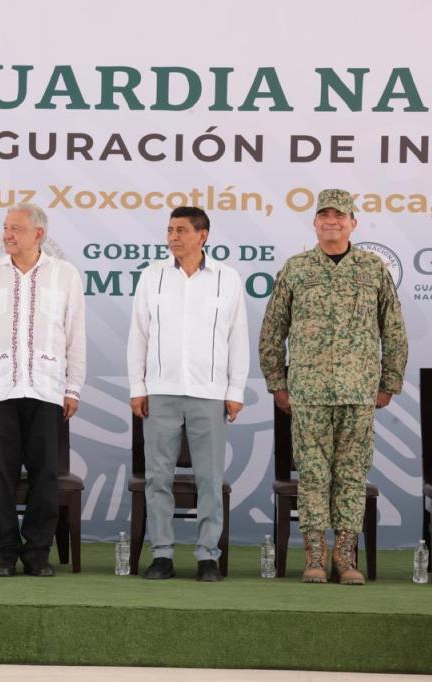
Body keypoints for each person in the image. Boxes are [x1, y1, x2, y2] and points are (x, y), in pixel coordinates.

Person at [258, 189, 408, 585]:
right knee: (312, 476)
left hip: (359, 392)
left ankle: (346, 558)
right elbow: (274, 329)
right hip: (307, 392)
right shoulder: (297, 268)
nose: (332, 222)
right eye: (324, 215)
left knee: (352, 476)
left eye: (340, 216)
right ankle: (314, 558)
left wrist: (389, 380)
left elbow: (392, 329)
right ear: (315, 223)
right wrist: (277, 381)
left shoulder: (372, 269)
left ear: (353, 223)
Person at [0, 203, 86, 578]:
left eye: (15, 228)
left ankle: (37, 553)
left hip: (47, 389)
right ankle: (3, 553)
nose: (7, 235)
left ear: (38, 234)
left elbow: (75, 336)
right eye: (5, 228)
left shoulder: (64, 275)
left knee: (46, 474)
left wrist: (73, 386)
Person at [127, 206, 249, 582]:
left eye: (181, 230)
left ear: (203, 235)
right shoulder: (152, 276)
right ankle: (161, 554)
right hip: (160, 392)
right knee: (157, 477)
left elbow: (237, 337)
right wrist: (138, 387)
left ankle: (207, 556)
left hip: (209, 393)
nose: (173, 237)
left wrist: (235, 390)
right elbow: (139, 335)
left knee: (209, 479)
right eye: (169, 230)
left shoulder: (226, 279)